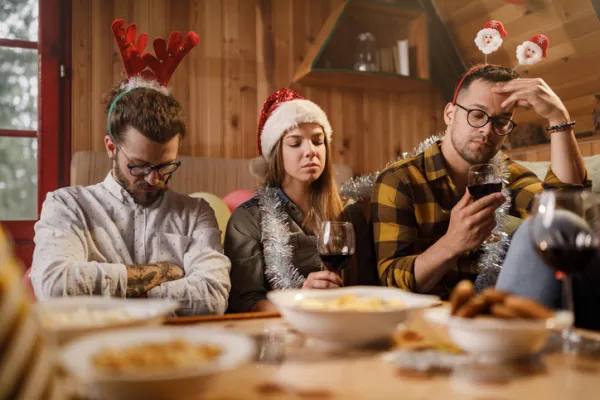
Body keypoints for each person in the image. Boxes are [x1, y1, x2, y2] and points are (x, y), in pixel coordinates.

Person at [31, 19, 231, 315]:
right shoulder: (67, 205)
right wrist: (164, 271)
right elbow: (55, 287)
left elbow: (212, 299)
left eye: (165, 166)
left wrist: (101, 291)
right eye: (139, 166)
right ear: (111, 147)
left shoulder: (196, 213)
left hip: (178, 353)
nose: (153, 179)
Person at [371, 64, 589, 299]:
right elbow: (392, 280)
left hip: (499, 310)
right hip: (431, 317)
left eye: (501, 122)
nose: (488, 131)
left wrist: (558, 117)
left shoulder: (507, 173)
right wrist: (452, 243)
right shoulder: (400, 180)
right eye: (477, 114)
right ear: (450, 114)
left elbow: (565, 220)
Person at [225, 88, 377, 313]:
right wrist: (299, 302)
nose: (311, 151)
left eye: (318, 141)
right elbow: (243, 302)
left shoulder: (349, 213)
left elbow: (370, 288)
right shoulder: (247, 219)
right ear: (276, 153)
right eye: (295, 143)